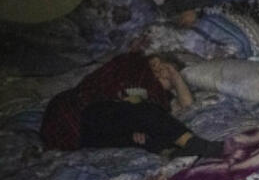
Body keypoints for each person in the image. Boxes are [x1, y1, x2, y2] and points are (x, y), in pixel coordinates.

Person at [40, 51, 223, 158]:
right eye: (166, 71)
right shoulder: (134, 65)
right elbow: (111, 90)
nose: (164, 78)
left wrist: (176, 77)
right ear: (157, 61)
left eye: (169, 81)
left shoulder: (161, 98)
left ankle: (172, 153)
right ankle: (198, 145)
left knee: (149, 134)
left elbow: (187, 105)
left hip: (92, 137)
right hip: (84, 113)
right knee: (146, 111)